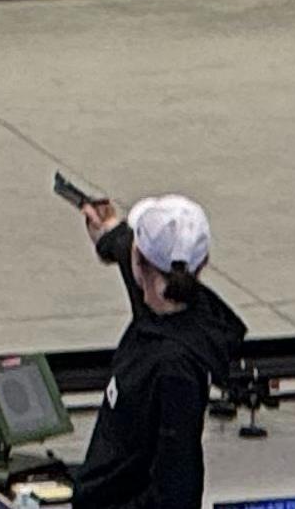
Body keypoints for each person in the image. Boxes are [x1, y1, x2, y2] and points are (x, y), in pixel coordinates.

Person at [60, 188, 243, 509]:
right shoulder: (172, 308)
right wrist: (108, 233)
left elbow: (176, 496)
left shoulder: (175, 369)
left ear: (139, 261)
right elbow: (133, 258)